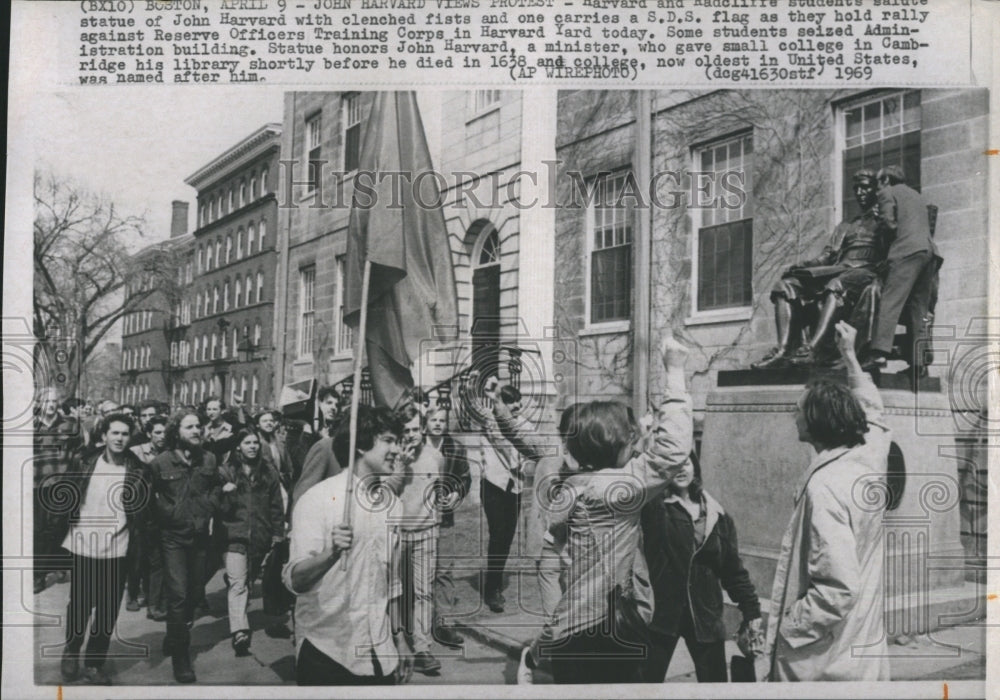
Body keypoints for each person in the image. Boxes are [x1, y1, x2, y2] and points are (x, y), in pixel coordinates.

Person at [533, 336, 693, 684]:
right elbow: (673, 451)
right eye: (629, 439)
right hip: (606, 630)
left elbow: (554, 544)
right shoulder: (617, 491)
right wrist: (675, 372)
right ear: (612, 446)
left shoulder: (573, 487)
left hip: (571, 625)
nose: (635, 444)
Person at [762, 321, 891, 681]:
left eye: (799, 409)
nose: (793, 415)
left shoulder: (825, 487)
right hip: (862, 645)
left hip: (826, 660)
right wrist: (850, 356)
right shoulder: (868, 458)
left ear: (816, 419)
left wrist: (786, 629)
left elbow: (837, 588)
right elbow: (875, 415)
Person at [283, 405, 413, 685]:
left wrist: (400, 637)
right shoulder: (317, 500)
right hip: (326, 652)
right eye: (389, 440)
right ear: (362, 444)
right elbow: (295, 580)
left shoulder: (393, 506)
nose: (398, 450)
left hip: (381, 653)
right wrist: (330, 555)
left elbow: (392, 581)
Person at [640, 452, 763, 682]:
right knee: (645, 685)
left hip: (705, 615)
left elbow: (732, 569)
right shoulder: (655, 507)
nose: (681, 469)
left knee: (715, 686)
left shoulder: (718, 514)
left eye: (686, 462)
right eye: (673, 464)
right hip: (662, 615)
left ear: (695, 466)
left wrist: (751, 609)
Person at [753, 170, 887, 369]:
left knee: (836, 285)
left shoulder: (885, 221)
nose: (860, 192)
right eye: (856, 188)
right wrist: (804, 266)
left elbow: (891, 253)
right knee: (785, 286)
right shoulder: (846, 225)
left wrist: (884, 220)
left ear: (877, 190)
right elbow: (827, 255)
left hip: (865, 273)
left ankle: (813, 349)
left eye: (865, 187)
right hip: (839, 269)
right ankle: (783, 350)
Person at [56, 412, 149, 685]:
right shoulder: (85, 461)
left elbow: (142, 513)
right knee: (81, 605)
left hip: (118, 547)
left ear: (130, 437)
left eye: (124, 434)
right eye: (115, 433)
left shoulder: (138, 469)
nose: (119, 438)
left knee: (108, 610)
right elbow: (67, 497)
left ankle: (95, 662)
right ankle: (72, 650)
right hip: (84, 543)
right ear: (104, 435)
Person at [147, 410, 223, 683]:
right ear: (176, 431)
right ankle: (181, 656)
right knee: (178, 594)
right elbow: (151, 498)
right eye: (189, 427)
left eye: (198, 427)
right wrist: (170, 514)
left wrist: (209, 506)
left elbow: (216, 486)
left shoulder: (209, 459)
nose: (196, 431)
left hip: (201, 536)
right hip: (173, 538)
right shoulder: (160, 463)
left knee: (194, 592)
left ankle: (173, 634)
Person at [467, 381, 541, 613]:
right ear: (502, 404)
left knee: (506, 538)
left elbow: (535, 452)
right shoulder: (491, 420)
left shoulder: (527, 426)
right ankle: (492, 590)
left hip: (515, 487)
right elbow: (471, 404)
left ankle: (494, 581)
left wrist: (528, 464)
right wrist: (474, 384)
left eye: (517, 400)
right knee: (498, 534)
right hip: (493, 485)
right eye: (510, 401)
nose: (516, 405)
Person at [384, 404, 448, 675]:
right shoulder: (392, 457)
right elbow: (385, 493)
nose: (411, 435)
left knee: (423, 592)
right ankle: (392, 641)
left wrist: (440, 515)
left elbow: (440, 492)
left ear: (423, 429)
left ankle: (422, 647)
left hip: (426, 533)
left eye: (415, 429)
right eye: (406, 430)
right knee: (393, 592)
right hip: (396, 534)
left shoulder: (435, 456)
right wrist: (401, 465)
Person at [867, 165, 943, 375]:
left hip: (906, 252)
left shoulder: (886, 193)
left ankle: (879, 353)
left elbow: (889, 225)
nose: (876, 188)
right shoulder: (917, 196)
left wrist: (880, 225)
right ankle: (918, 363)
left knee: (890, 301)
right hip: (929, 253)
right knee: (919, 308)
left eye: (878, 183)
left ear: (885, 181)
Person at [218, 428, 285, 656]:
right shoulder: (227, 472)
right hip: (234, 537)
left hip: (260, 537)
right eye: (247, 442)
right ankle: (240, 632)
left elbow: (276, 506)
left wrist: (277, 534)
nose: (252, 446)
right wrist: (226, 493)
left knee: (247, 582)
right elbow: (220, 509)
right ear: (238, 446)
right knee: (238, 584)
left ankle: (239, 612)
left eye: (255, 442)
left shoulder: (268, 472)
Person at [424, 406, 472, 649]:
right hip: (419, 519)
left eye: (442, 420)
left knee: (444, 570)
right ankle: (418, 625)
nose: (437, 424)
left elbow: (465, 478)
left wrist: (457, 493)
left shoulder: (455, 448)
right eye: (433, 419)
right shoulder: (417, 447)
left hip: (445, 519)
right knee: (419, 573)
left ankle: (444, 624)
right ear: (426, 421)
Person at [33, 387, 80, 593]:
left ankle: (49, 568)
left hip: (62, 484)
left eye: (54, 401)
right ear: (39, 403)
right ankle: (38, 574)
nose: (51, 405)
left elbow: (78, 452)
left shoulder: (69, 425)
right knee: (38, 530)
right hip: (36, 485)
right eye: (47, 401)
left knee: (58, 526)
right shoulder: (31, 425)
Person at [127, 415, 169, 618]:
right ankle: (133, 595)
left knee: (157, 558)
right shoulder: (137, 452)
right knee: (137, 555)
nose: (162, 436)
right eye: (158, 432)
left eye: (165, 432)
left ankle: (154, 603)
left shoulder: (171, 453)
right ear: (149, 434)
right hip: (139, 511)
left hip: (160, 511)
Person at [202, 397, 236, 462]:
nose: (211, 413)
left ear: (222, 411)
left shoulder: (230, 429)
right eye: (209, 409)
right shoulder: (203, 429)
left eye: (215, 409)